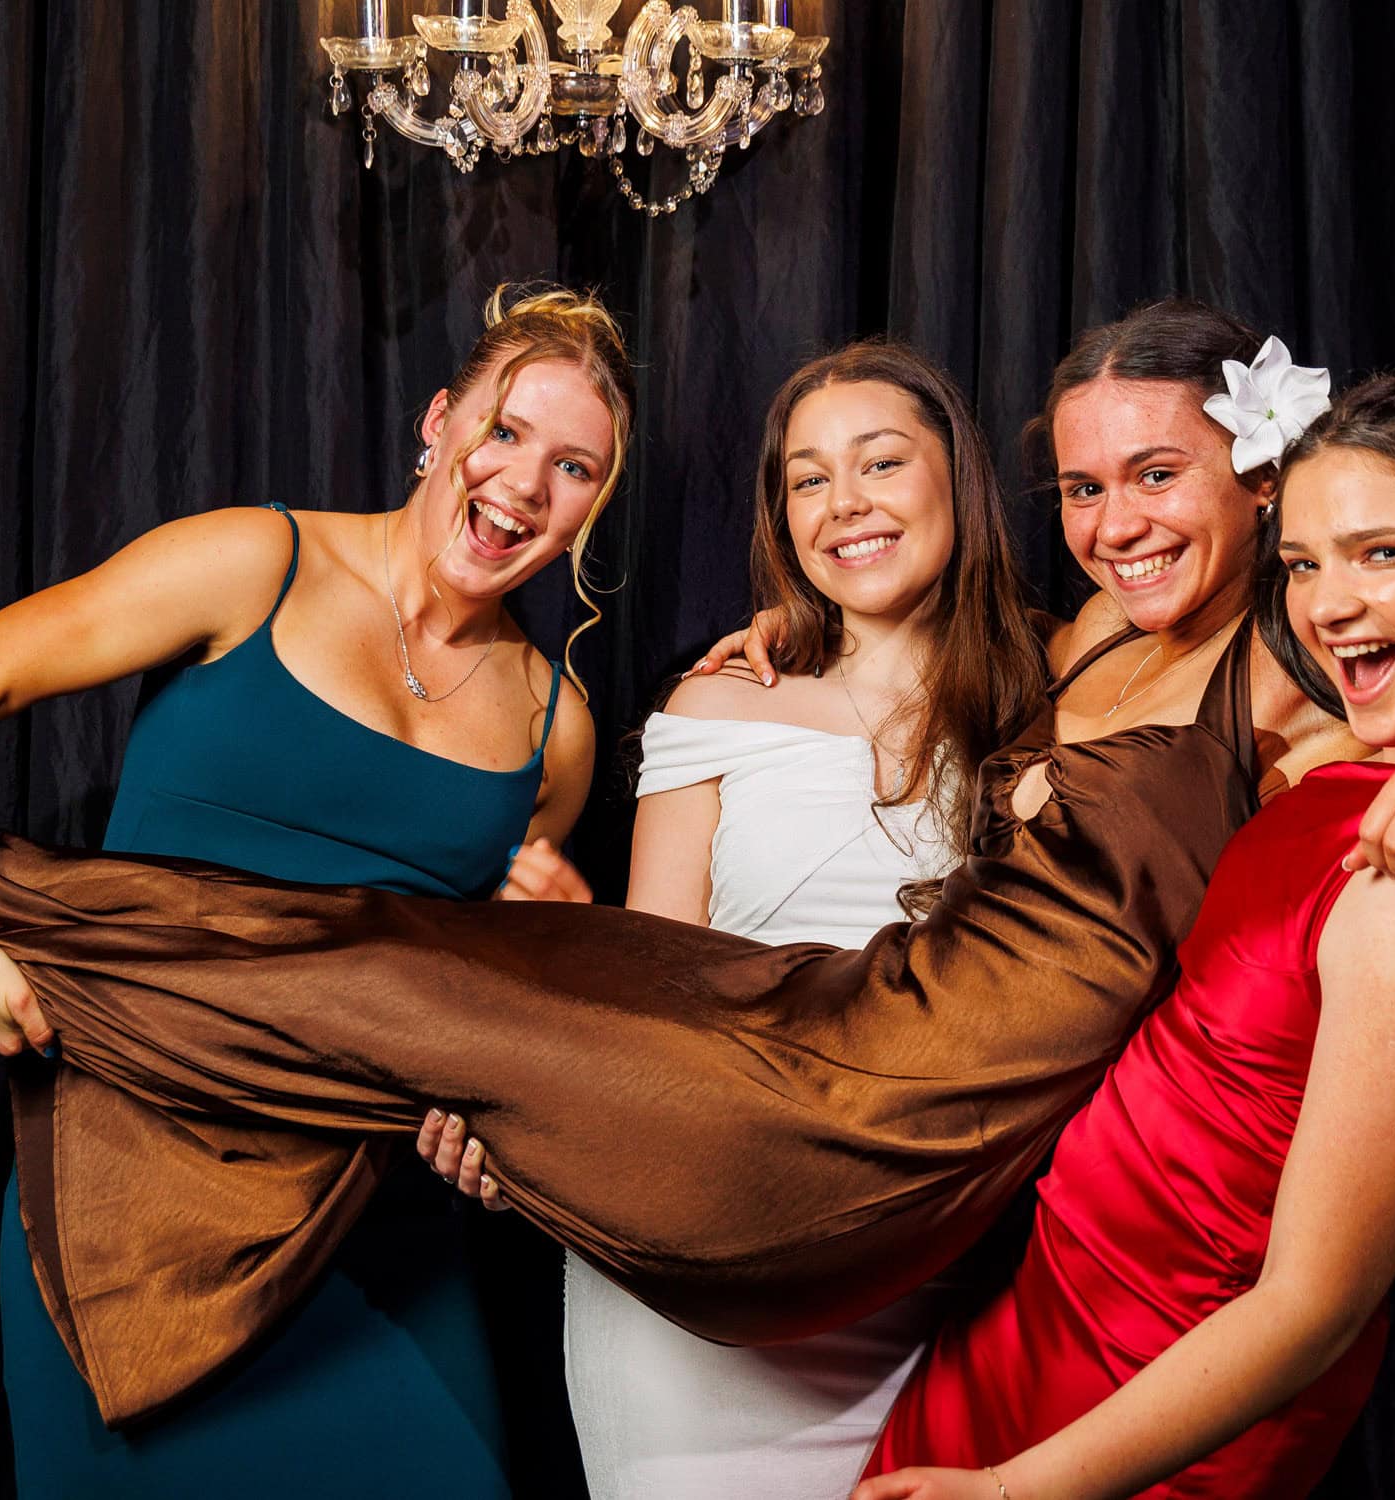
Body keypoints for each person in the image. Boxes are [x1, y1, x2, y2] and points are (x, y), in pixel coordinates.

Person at [0, 300, 1395, 1434]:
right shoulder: (1073, 639)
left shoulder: (1302, 664)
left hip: (884, 1121)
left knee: (418, 975)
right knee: (424, 967)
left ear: (1263, 484)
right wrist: (759, 691)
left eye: (1160, 478)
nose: (1119, 520)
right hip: (842, 1041)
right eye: (1085, 486)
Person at [0, 286, 632, 1496]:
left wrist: (515, 1051)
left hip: (363, 1231)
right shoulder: (257, 561)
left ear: (590, 510)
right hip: (130, 1191)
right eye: (506, 431)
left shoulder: (553, 728)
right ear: (436, 423)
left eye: (573, 466)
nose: (525, 482)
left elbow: (449, 982)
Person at [856, 369, 1395, 1500]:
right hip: (1036, 1317)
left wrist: (1022, 1490)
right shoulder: (1387, 760)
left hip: (1152, 1404)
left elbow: (1315, 1305)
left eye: (1383, 554)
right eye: (1306, 564)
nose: (1328, 604)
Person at [449, 339, 1042, 1497]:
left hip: (936, 1272)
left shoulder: (1048, 702)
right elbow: (653, 995)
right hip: (698, 1261)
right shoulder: (721, 699)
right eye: (808, 479)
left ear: (956, 482)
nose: (846, 505)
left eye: (881, 463)